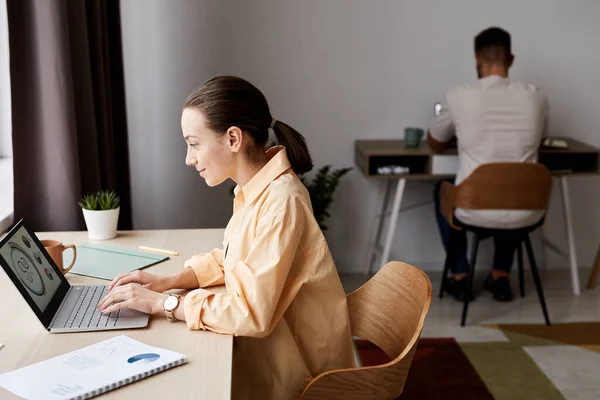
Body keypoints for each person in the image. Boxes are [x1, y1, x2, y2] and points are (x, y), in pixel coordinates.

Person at [97, 76, 355, 399]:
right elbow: (234, 261)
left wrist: (166, 304)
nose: (189, 159)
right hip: (271, 353)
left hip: (302, 377)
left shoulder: (282, 202)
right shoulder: (254, 189)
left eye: (194, 144)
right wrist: (166, 282)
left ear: (233, 138)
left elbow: (251, 315)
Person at [428, 27, 549, 302]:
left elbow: (434, 143)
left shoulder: (459, 95)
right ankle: (501, 276)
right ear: (511, 59)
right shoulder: (537, 97)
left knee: (442, 190)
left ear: (476, 59)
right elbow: (540, 143)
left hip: (473, 209)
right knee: (513, 186)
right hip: (528, 211)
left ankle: (459, 276)